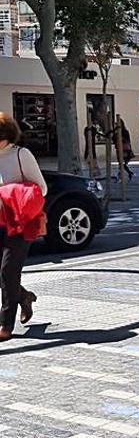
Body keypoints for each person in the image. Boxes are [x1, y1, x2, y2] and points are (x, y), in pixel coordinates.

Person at [0, 113, 47, 342]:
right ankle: (24, 296)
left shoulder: (21, 154)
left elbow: (42, 188)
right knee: (2, 275)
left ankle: (5, 325)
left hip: (20, 223)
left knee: (8, 271)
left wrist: (12, 193)